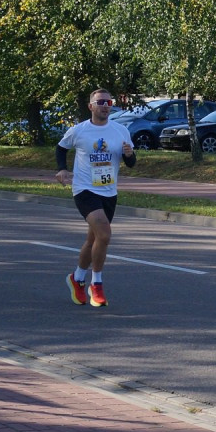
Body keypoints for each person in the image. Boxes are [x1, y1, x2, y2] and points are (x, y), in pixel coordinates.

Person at [55, 88, 136, 307]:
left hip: (109, 191)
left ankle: (77, 278)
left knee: (94, 240)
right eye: (100, 102)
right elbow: (61, 148)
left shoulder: (120, 131)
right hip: (84, 190)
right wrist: (62, 169)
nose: (105, 106)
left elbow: (130, 162)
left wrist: (129, 155)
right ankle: (96, 284)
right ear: (91, 106)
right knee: (105, 234)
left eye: (108, 102)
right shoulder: (79, 131)